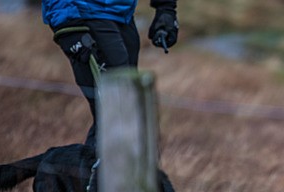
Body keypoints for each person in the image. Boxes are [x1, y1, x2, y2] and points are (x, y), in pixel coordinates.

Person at [42, 0, 179, 192]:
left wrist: (165, 9)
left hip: (121, 19)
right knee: (116, 119)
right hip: (85, 18)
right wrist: (66, 23)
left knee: (117, 121)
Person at [42, 0, 180, 147]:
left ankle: (103, 167)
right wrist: (65, 22)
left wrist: (165, 8)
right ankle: (99, 167)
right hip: (86, 15)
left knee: (123, 116)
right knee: (116, 115)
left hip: (123, 16)